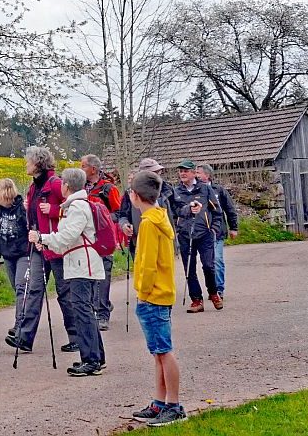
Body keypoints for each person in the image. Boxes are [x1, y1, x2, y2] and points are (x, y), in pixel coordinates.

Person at [28, 167, 106, 376]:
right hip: (81, 264)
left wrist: (43, 238)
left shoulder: (77, 207)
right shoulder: (77, 205)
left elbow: (67, 237)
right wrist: (47, 243)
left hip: (82, 266)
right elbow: (65, 239)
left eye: (62, 182)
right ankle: (97, 356)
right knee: (85, 310)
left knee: (82, 311)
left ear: (67, 186)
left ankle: (91, 360)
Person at [128, 169, 187, 426]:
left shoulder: (150, 224)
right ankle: (159, 401)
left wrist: (142, 291)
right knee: (157, 352)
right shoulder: (158, 216)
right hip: (159, 294)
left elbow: (148, 264)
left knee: (164, 351)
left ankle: (174, 405)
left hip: (153, 296)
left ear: (136, 195)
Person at [9, 146, 79, 356]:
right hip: (39, 247)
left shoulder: (56, 184)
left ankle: (76, 337)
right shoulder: (33, 188)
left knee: (65, 293)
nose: (26, 165)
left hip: (57, 247)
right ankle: (24, 337)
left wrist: (55, 211)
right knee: (33, 290)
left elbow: (75, 208)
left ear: (38, 163)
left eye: (28, 161)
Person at [171, 158, 223, 313]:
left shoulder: (205, 189)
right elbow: (174, 212)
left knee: (208, 266)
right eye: (180, 171)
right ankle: (196, 300)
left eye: (186, 171)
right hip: (186, 235)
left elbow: (217, 211)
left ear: (194, 173)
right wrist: (178, 229)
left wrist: (213, 228)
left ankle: (213, 293)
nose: (182, 174)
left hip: (205, 234)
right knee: (189, 269)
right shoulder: (176, 192)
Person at [81, 154, 122, 330]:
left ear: (93, 169)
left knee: (103, 277)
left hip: (104, 239)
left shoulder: (108, 189)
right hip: (85, 239)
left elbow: (119, 212)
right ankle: (99, 306)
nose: (80, 168)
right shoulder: (80, 188)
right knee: (89, 276)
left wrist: (100, 217)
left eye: (83, 166)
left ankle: (103, 314)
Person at [0, 177, 30, 345]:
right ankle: (24, 318)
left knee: (22, 287)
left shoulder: (22, 210)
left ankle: (19, 325)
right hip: (7, 256)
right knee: (16, 288)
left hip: (23, 253)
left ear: (4, 193)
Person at [195, 163, 238, 298]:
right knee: (207, 263)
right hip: (200, 232)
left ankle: (219, 290)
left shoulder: (218, 190)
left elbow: (230, 209)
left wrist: (234, 228)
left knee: (217, 260)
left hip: (217, 231)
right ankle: (211, 289)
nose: (196, 175)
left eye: (199, 173)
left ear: (207, 175)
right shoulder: (194, 191)